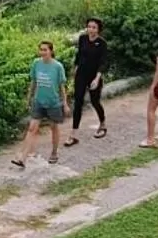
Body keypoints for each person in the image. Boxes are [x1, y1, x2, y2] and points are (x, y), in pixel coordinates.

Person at [10, 40, 69, 167]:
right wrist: (28, 98)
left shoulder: (58, 66)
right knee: (32, 128)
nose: (42, 52)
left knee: (54, 128)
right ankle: (23, 158)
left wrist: (65, 103)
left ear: (51, 51)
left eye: (45, 50)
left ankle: (54, 152)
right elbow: (33, 82)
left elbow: (62, 86)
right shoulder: (36, 64)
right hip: (38, 101)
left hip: (53, 103)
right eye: (41, 50)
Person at [66, 16, 110, 145]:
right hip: (81, 74)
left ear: (98, 29)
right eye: (89, 27)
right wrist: (75, 68)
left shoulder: (102, 43)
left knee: (95, 101)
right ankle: (73, 134)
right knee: (78, 102)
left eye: (94, 27)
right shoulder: (83, 39)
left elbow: (103, 62)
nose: (91, 30)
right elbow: (79, 55)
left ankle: (102, 124)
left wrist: (97, 78)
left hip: (94, 75)